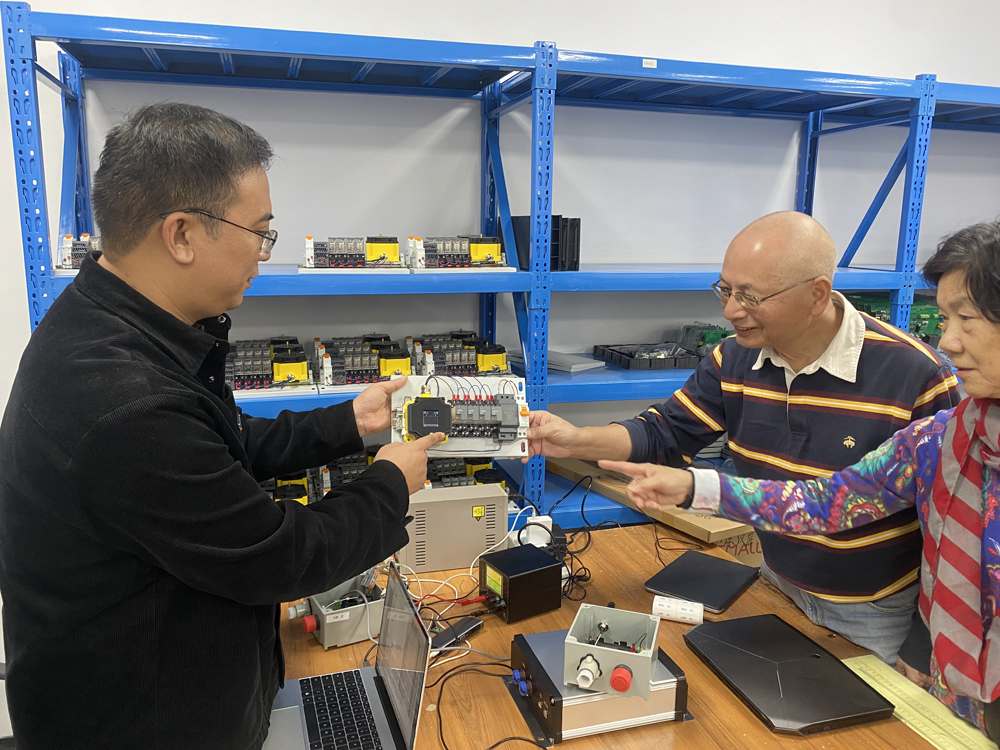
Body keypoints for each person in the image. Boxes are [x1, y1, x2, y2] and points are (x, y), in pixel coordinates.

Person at [0, 103, 442, 750]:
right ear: (181, 234)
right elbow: (279, 557)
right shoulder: (124, 402)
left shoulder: (113, 329)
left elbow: (217, 446)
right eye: (259, 232)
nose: (264, 252)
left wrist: (348, 422)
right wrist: (389, 484)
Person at [599, 220, 1000, 738]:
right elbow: (826, 504)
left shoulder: (918, 378)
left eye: (966, 319)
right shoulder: (942, 439)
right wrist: (695, 487)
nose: (948, 341)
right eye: (944, 318)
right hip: (964, 692)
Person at [527, 211, 961, 668]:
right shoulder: (734, 358)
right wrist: (575, 440)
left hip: (874, 611)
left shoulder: (915, 374)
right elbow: (664, 432)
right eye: (725, 290)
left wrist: (922, 646)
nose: (731, 310)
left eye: (751, 297)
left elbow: (945, 529)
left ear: (817, 295)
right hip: (776, 581)